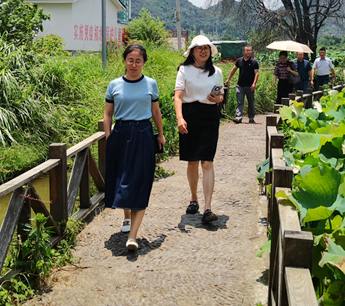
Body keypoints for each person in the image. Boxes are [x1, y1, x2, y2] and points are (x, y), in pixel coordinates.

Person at [103, 44, 165, 251]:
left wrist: (161, 134)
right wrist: (109, 136)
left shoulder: (150, 84)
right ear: (125, 61)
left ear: (144, 63)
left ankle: (132, 236)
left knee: (140, 181)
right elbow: (107, 114)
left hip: (143, 134)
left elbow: (155, 112)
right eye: (130, 60)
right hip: (120, 133)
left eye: (138, 61)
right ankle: (126, 216)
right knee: (122, 177)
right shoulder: (114, 85)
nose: (134, 64)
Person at [174, 35, 224, 224]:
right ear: (192, 51)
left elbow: (220, 95)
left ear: (210, 51)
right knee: (193, 162)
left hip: (210, 115)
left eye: (206, 48)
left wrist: (217, 99)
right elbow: (178, 97)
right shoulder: (184, 70)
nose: (203, 51)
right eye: (199, 48)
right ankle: (193, 199)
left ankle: (208, 208)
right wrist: (180, 118)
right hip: (189, 114)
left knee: (207, 162)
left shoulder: (217, 71)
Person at [225, 45, 259, 124]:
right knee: (240, 101)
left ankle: (251, 118)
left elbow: (256, 74)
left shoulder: (254, 62)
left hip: (250, 86)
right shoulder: (239, 61)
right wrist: (228, 79)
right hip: (240, 85)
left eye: (250, 50)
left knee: (251, 102)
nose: (248, 52)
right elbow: (234, 70)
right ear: (243, 52)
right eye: (247, 50)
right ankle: (238, 117)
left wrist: (254, 84)